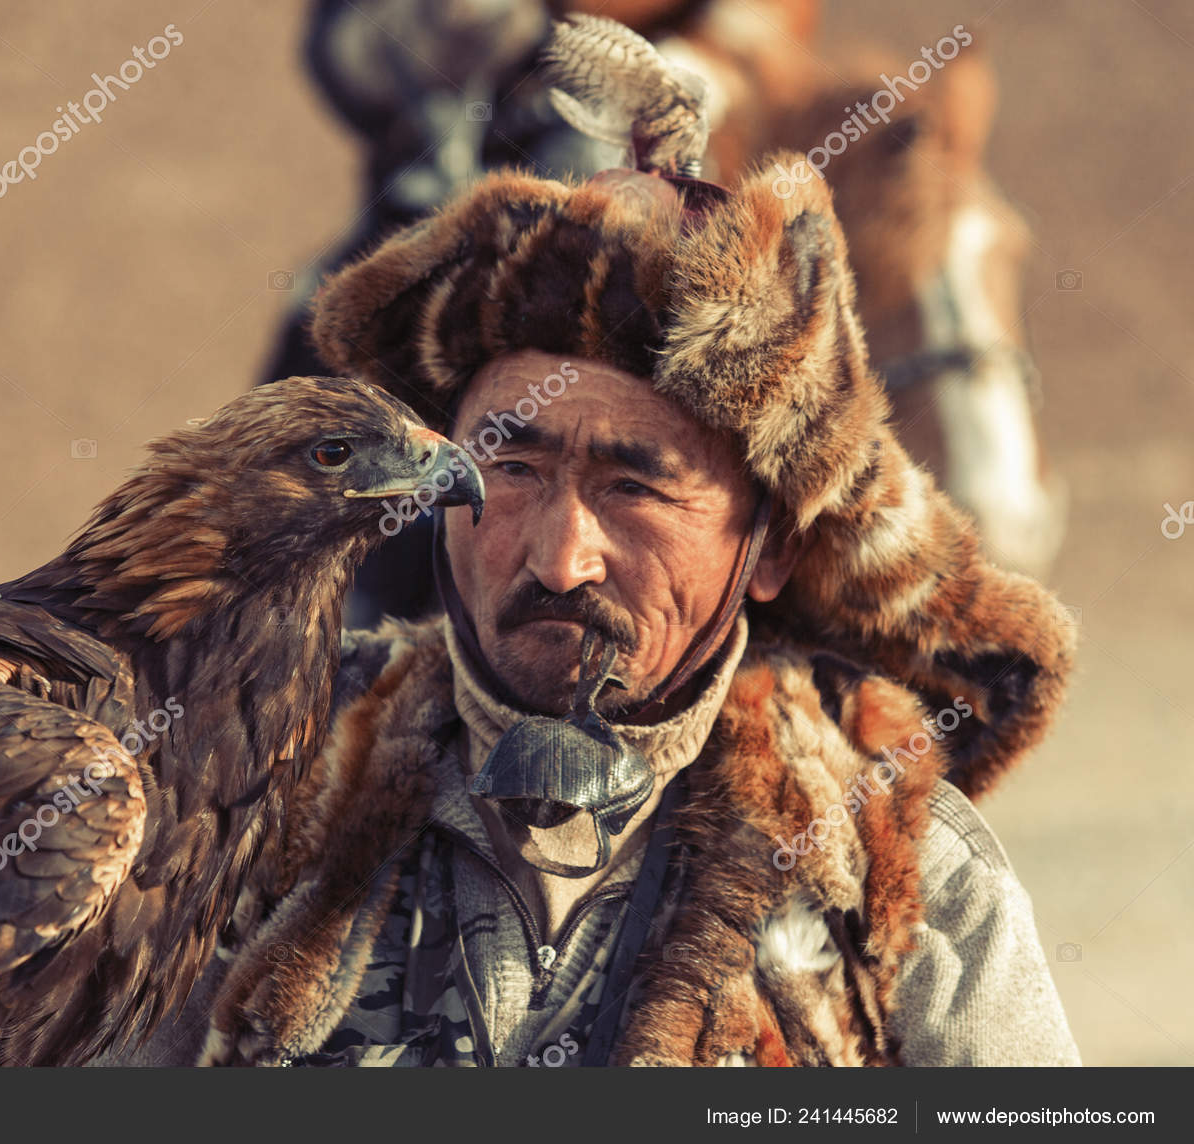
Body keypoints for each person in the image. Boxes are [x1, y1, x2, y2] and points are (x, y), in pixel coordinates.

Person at [117, 17, 1079, 1067]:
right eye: (509, 470)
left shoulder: (914, 886)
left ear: (769, 552)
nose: (560, 559)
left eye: (634, 487)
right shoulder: (239, 817)